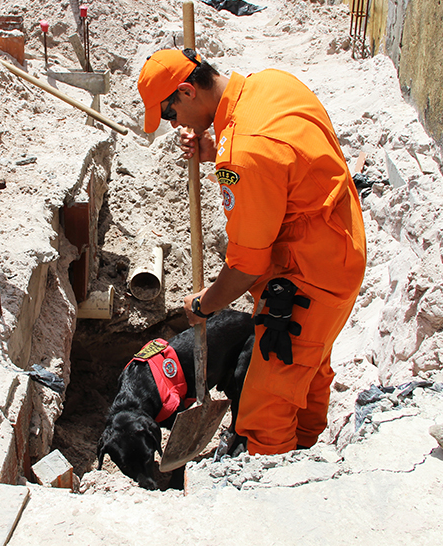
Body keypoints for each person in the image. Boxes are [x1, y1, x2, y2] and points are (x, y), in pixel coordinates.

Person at [137, 48, 366, 455]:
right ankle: (307, 454)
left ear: (187, 91)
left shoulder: (245, 151)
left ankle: (275, 487)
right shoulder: (272, 85)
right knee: (308, 371)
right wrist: (215, 148)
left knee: (265, 407)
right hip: (341, 247)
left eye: (170, 115)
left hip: (308, 278)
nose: (175, 126)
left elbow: (246, 266)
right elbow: (284, 167)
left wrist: (205, 304)